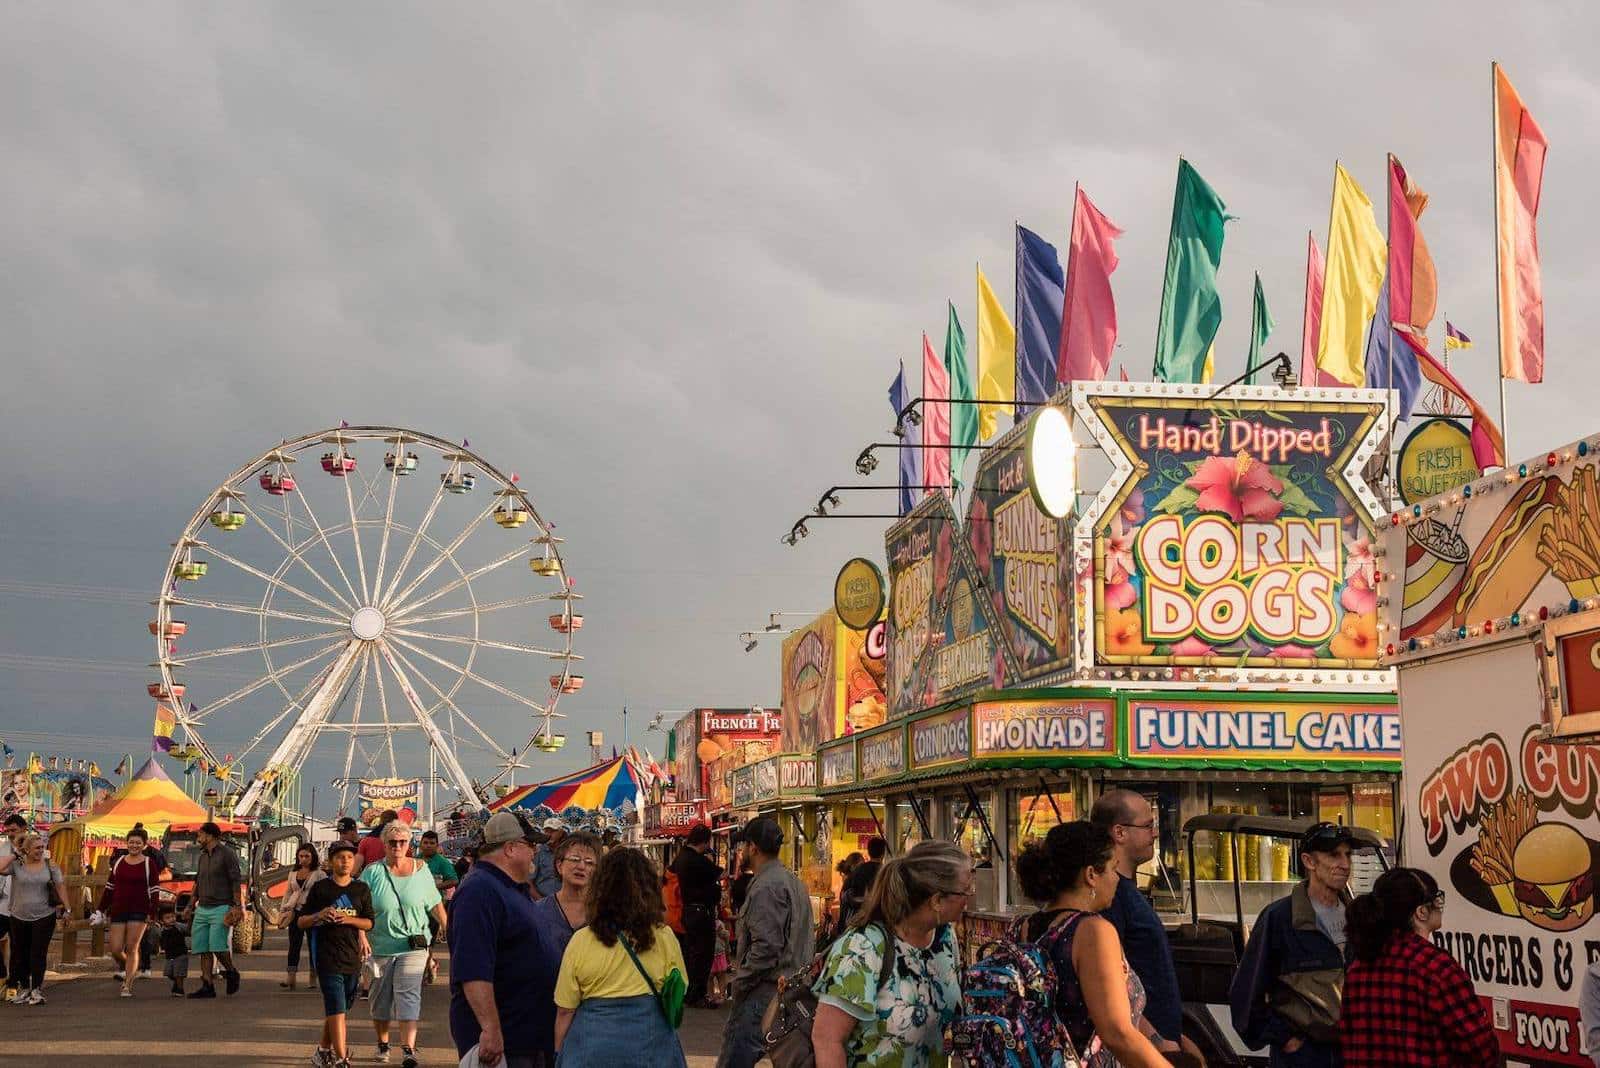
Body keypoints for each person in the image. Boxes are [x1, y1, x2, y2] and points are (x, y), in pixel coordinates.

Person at [1013, 821, 1167, 1068]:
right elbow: (1118, 1034)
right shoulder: (1093, 932)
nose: (1116, 879)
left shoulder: (1022, 928)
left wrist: (1158, 1041)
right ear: (1091, 875)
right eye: (1113, 869)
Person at [811, 840, 971, 1067]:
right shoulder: (862, 948)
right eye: (965, 890)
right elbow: (827, 1039)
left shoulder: (945, 938)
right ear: (936, 900)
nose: (970, 897)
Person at [1340, 867, 1498, 1066]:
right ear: (1421, 912)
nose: (1440, 905)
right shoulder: (1437, 967)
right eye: (1437, 899)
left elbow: (1347, 1041)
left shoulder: (1357, 968)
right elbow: (1480, 1049)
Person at [1230, 822, 1354, 1068]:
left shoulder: (1359, 917)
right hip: (1304, 1056)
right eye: (1334, 855)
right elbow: (1245, 991)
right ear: (1309, 862)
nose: (1345, 864)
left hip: (1352, 1053)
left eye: (1348, 855)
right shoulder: (1280, 918)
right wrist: (1284, 1037)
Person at [554, 846, 688, 1067]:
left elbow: (565, 1009)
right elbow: (678, 989)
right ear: (650, 889)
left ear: (600, 889)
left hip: (592, 1051)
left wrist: (559, 1054)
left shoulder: (581, 940)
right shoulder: (664, 937)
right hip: (651, 1048)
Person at [447, 811, 555, 1068]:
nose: (535, 852)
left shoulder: (509, 888)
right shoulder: (479, 891)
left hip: (526, 1037)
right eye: (531, 845)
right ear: (510, 848)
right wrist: (490, 1029)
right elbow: (473, 970)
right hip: (505, 1043)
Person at [1090, 789, 1185, 1054]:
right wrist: (1155, 1040)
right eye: (1148, 826)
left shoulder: (1128, 892)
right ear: (1119, 833)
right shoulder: (1110, 899)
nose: (1155, 833)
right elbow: (1111, 986)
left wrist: (1179, 1038)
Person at [716, 816, 815, 1068]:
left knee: (733, 1062)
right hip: (793, 990)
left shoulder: (767, 887)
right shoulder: (792, 882)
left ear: (753, 848)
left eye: (743, 846)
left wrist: (741, 981)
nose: (740, 852)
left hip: (765, 991)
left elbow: (766, 948)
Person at [360, 818, 446, 1068]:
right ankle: (383, 1042)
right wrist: (361, 936)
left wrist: (448, 927)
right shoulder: (372, 872)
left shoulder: (421, 870)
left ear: (409, 844)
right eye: (392, 842)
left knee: (408, 995)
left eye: (402, 842)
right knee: (380, 1001)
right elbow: (359, 907)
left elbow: (434, 904)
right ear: (384, 845)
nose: (397, 846)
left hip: (414, 947)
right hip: (379, 947)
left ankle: (408, 1048)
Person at [301, 840, 376, 1068]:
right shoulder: (321, 889)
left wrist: (350, 920)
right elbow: (301, 921)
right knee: (336, 1006)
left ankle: (323, 1050)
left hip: (352, 957)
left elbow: (369, 922)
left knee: (341, 1007)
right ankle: (342, 1058)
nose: (345, 861)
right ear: (331, 861)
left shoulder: (360, 889)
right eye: (340, 857)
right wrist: (319, 915)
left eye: (350, 858)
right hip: (327, 956)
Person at [530, 831, 599, 1063]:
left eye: (590, 863)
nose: (582, 867)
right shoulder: (537, 912)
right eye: (575, 859)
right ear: (559, 865)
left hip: (592, 1016)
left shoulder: (604, 916)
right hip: (544, 1012)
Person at [0, 833, 67, 1005]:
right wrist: (16, 854)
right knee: (19, 954)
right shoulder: (17, 865)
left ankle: (36, 989)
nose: (41, 851)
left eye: (42, 848)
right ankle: (24, 989)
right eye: (37, 848)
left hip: (44, 915)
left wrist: (67, 909)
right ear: (27, 850)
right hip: (18, 916)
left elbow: (60, 886)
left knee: (37, 953)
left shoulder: (49, 865)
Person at [98, 826, 161, 997]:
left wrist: (152, 913)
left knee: (133, 947)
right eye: (131, 842)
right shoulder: (118, 862)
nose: (134, 845)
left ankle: (127, 984)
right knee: (116, 948)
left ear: (144, 845)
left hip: (139, 911)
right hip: (119, 909)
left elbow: (155, 890)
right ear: (127, 843)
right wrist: (100, 909)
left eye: (138, 843)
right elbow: (110, 888)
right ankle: (131, 966)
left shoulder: (149, 864)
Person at [187, 821, 245, 999]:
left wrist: (237, 905)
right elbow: (198, 881)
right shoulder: (203, 856)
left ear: (210, 836)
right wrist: (191, 904)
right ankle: (207, 984)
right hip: (202, 907)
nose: (198, 838)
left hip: (221, 906)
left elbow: (235, 880)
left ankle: (231, 971)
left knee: (218, 946)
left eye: (200, 834)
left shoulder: (227, 854)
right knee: (202, 948)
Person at [670, 823, 723, 1006]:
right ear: (705, 841)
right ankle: (697, 994)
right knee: (702, 954)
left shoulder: (680, 858)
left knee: (691, 953)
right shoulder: (696, 860)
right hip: (701, 912)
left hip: (687, 912)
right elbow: (718, 874)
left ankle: (690, 992)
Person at [280, 844, 326, 991]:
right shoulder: (293, 873)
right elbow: (288, 892)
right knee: (294, 944)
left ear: (313, 857)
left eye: (307, 856)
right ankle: (291, 977)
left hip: (313, 913)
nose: (304, 859)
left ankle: (313, 977)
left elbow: (325, 894)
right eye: (301, 856)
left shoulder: (319, 874)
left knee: (314, 946)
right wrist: (283, 910)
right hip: (295, 912)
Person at [418, 830, 458, 984]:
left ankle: (427, 967)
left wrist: (435, 886)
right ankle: (429, 965)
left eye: (431, 843)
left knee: (427, 942)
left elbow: (453, 880)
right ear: (421, 844)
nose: (428, 846)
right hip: (416, 909)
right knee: (419, 942)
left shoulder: (442, 862)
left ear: (437, 845)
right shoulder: (415, 860)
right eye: (425, 843)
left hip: (434, 910)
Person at [837, 837, 886, 935]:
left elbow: (846, 901)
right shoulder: (886, 872)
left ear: (868, 851)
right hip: (877, 929)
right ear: (883, 853)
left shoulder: (856, 873)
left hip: (852, 928)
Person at [0, 813, 25, 1000]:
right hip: (1, 904)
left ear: (23, 829)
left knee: (18, 947)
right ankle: (2, 975)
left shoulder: (34, 846)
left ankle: (13, 985)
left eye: (13, 830)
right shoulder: (3, 848)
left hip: (22, 906)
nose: (9, 833)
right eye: (7, 830)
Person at [157, 903, 190, 997]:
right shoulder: (162, 930)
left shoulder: (179, 926)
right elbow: (160, 940)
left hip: (180, 954)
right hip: (169, 955)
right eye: (167, 918)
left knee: (179, 973)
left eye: (172, 916)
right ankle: (176, 983)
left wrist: (189, 920)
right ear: (162, 920)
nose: (171, 919)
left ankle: (180, 989)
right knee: (169, 973)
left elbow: (188, 930)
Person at [531, 818, 565, 900]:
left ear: (560, 833)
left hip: (564, 901)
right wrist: (540, 901)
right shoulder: (539, 851)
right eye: (546, 831)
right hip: (542, 899)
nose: (549, 834)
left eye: (552, 831)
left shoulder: (567, 851)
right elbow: (529, 881)